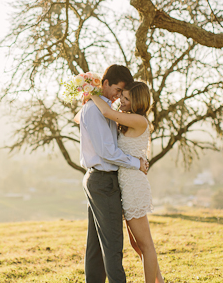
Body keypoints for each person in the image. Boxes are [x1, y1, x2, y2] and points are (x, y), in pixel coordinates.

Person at [78, 65, 149, 283]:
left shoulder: (102, 107)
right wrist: (136, 163)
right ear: (105, 83)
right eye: (118, 90)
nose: (119, 96)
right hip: (103, 180)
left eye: (122, 94)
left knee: (96, 246)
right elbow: (107, 152)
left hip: (99, 179)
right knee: (113, 245)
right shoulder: (95, 110)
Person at [90, 81, 165, 283]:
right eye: (121, 96)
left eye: (126, 98)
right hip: (126, 184)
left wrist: (89, 92)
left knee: (145, 244)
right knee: (136, 244)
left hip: (134, 186)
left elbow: (107, 112)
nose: (121, 101)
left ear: (137, 102)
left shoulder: (139, 120)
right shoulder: (129, 120)